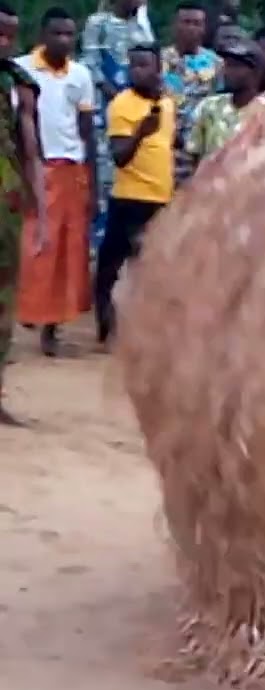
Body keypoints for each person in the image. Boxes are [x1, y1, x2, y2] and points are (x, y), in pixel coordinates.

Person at [15, 7, 95, 358]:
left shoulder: (81, 74)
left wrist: (91, 180)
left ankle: (51, 329)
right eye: (57, 33)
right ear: (42, 35)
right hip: (34, 170)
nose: (64, 40)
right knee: (30, 247)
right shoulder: (20, 70)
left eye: (69, 34)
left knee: (66, 252)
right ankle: (22, 315)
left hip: (71, 169)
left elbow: (86, 129)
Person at [97, 44, 175, 347]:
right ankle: (105, 326)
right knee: (111, 267)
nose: (136, 71)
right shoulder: (121, 104)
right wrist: (141, 132)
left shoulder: (167, 103)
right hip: (130, 198)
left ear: (158, 69)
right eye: (133, 65)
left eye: (144, 65)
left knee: (151, 269)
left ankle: (146, 331)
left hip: (160, 199)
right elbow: (119, 156)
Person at [0, 1, 48, 425]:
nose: (4, 41)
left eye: (11, 34)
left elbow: (31, 151)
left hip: (6, 203)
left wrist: (42, 214)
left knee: (3, 301)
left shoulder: (19, 84)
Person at [81, 0, 152, 250]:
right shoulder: (97, 23)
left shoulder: (141, 26)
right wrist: (118, 98)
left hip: (136, 115)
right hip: (105, 112)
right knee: (103, 179)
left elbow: (150, 62)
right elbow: (90, 65)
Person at [163, 1, 221, 185]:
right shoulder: (158, 60)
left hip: (200, 147)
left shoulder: (216, 63)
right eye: (186, 22)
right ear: (174, 25)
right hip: (164, 145)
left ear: (204, 28)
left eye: (197, 23)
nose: (191, 28)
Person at [187, 41, 260, 170]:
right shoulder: (209, 106)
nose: (226, 72)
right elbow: (194, 155)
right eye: (226, 65)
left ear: (254, 72)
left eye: (235, 66)